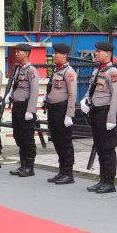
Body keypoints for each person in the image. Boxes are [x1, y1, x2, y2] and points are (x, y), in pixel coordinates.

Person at [81, 40, 117, 193]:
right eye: (95, 51)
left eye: (98, 51)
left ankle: (109, 182)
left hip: (105, 113)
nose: (95, 54)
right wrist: (85, 100)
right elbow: (91, 90)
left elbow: (115, 97)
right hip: (95, 112)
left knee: (108, 149)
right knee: (99, 147)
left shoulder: (112, 72)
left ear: (107, 53)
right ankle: (102, 179)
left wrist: (111, 119)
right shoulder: (98, 70)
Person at [43, 43, 78, 184]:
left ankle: (68, 173)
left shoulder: (69, 72)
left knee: (64, 141)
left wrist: (69, 114)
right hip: (53, 109)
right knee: (56, 140)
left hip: (62, 110)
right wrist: (46, 98)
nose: (53, 55)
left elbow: (72, 94)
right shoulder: (56, 70)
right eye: (53, 53)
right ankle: (61, 170)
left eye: (56, 53)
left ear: (64, 55)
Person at [7, 43, 40, 177]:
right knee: (18, 136)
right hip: (17, 106)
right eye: (15, 52)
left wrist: (30, 110)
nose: (16, 54)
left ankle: (29, 167)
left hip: (25, 107)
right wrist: (10, 95)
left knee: (27, 138)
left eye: (18, 52)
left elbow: (34, 91)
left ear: (26, 53)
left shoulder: (31, 70)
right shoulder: (19, 69)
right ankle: (23, 165)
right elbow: (16, 86)